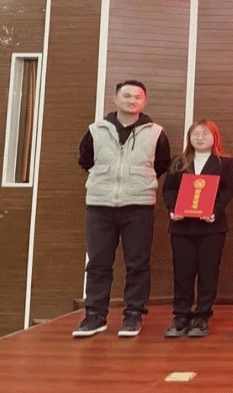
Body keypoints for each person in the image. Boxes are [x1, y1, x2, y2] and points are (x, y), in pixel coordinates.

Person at [73, 80, 171, 338]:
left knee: (137, 263)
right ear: (116, 99)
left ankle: (133, 315)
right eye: (126, 96)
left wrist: (137, 182)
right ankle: (95, 316)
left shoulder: (156, 133)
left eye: (137, 97)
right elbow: (85, 160)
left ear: (144, 101)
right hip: (100, 206)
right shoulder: (96, 130)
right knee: (98, 263)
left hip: (138, 206)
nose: (132, 100)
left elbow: (161, 165)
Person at [162, 120, 233, 337]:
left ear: (215, 137)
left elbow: (228, 190)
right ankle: (181, 315)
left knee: (208, 272)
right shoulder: (178, 161)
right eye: (196, 134)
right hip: (182, 227)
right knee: (182, 272)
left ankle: (202, 316)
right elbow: (169, 190)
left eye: (205, 134)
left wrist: (215, 211)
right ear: (189, 137)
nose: (200, 138)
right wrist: (173, 209)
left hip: (212, 227)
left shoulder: (224, 163)